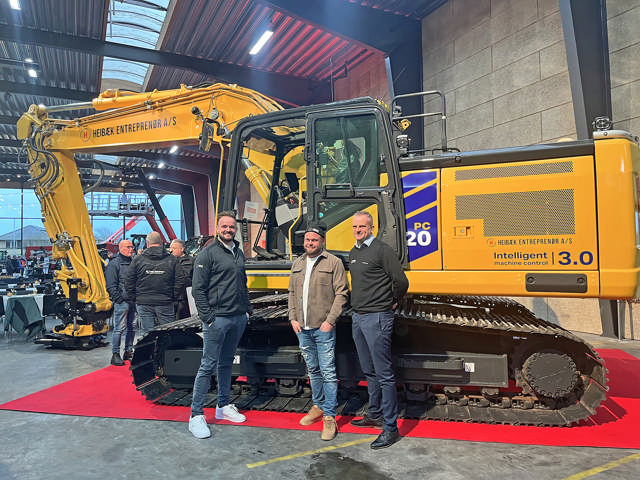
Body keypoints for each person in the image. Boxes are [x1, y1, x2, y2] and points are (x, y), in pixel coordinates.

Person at [188, 211, 253, 439]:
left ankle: (223, 406)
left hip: (237, 317)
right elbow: (198, 289)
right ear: (217, 228)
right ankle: (196, 415)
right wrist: (208, 318)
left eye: (231, 227)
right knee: (208, 365)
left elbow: (242, 283)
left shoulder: (238, 252)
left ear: (235, 229)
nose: (228, 230)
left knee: (226, 363)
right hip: (218, 319)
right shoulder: (207, 254)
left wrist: (247, 310)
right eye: (224, 226)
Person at [349, 211, 409, 449]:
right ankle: (374, 414)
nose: (358, 230)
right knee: (369, 370)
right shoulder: (354, 252)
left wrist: (392, 301)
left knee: (384, 375)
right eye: (355, 227)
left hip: (377, 317)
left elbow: (401, 281)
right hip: (358, 317)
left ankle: (390, 428)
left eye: (362, 227)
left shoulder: (382, 250)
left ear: (371, 228)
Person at [288, 224, 348, 441]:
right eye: (307, 240)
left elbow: (342, 293)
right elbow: (291, 292)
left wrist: (330, 321)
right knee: (313, 370)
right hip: (302, 328)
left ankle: (329, 416)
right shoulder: (298, 263)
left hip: (323, 328)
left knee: (328, 372)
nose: (310, 243)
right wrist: (292, 317)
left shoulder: (333, 262)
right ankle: (319, 405)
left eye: (314, 240)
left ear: (322, 241)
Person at [124, 231, 182, 337]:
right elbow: (180, 281)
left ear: (147, 243)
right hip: (165, 301)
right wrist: (173, 297)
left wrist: (135, 298)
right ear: (161, 243)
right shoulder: (172, 259)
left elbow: (129, 281)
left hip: (144, 302)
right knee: (168, 334)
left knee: (148, 335)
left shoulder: (138, 259)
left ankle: (150, 348)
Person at [105, 239, 136, 366]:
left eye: (132, 247)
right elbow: (111, 285)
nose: (131, 249)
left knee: (132, 328)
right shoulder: (114, 264)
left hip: (133, 301)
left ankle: (128, 351)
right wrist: (119, 299)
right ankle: (115, 354)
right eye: (128, 247)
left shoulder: (134, 263)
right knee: (119, 329)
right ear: (121, 248)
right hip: (122, 302)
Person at [170, 239, 193, 320]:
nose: (171, 250)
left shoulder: (190, 261)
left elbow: (186, 277)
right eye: (171, 248)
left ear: (182, 249)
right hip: (170, 297)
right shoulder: (168, 261)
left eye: (174, 248)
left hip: (184, 298)